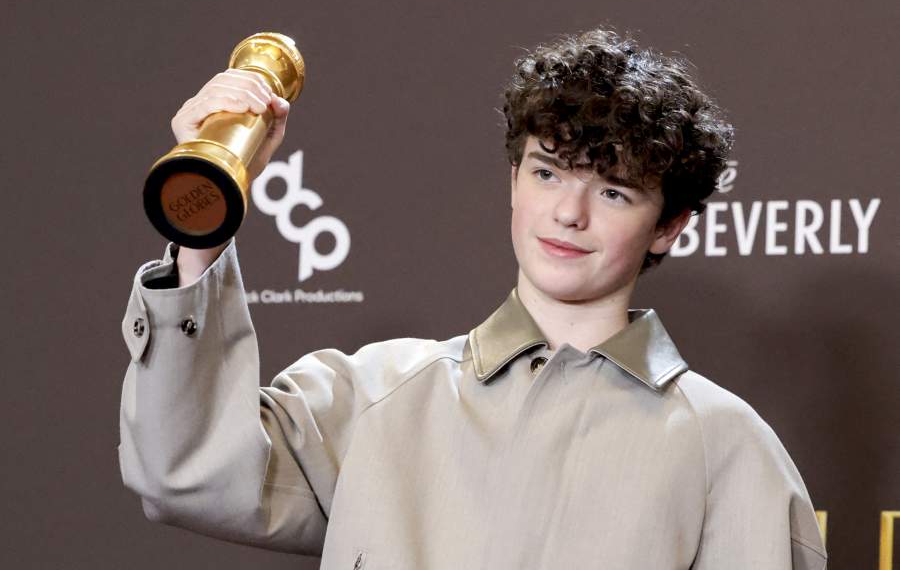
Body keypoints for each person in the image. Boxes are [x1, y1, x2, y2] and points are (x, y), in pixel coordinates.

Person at [118, 28, 828, 569]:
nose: (568, 214)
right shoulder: (370, 398)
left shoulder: (730, 450)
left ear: (668, 224)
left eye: (612, 191)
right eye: (548, 173)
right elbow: (183, 472)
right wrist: (203, 214)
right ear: (514, 179)